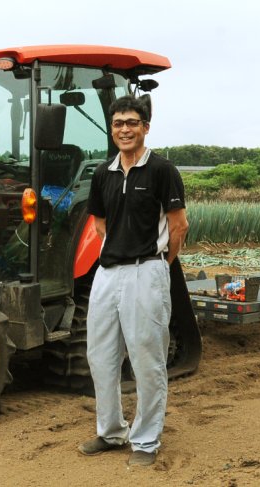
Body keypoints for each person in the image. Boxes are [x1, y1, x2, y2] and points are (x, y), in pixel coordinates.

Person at [77, 95, 188, 467]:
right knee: (101, 357)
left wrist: (160, 264)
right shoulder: (102, 173)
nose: (124, 129)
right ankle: (110, 432)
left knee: (146, 359)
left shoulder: (161, 170)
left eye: (132, 123)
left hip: (147, 270)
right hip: (107, 274)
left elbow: (178, 225)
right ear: (112, 129)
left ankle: (145, 442)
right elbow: (100, 224)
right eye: (118, 123)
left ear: (145, 127)